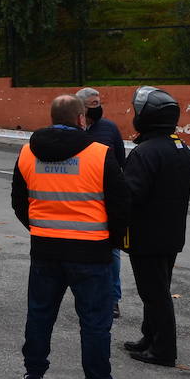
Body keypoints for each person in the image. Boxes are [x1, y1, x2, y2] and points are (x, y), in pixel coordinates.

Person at [12, 94, 131, 379]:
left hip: (45, 248)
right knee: (94, 322)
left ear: (52, 118)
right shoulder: (99, 154)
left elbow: (18, 202)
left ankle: (33, 374)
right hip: (92, 252)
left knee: (40, 313)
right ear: (82, 119)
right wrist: (112, 240)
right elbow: (121, 206)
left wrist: (40, 228)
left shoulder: (27, 152)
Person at [122, 86, 190, 367]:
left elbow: (131, 195)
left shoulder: (146, 152)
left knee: (154, 294)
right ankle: (149, 337)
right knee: (158, 288)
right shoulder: (178, 147)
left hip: (147, 235)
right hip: (170, 233)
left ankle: (163, 349)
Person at [76, 86, 126, 318]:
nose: (99, 106)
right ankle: (86, 293)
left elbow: (121, 161)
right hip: (81, 198)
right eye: (93, 103)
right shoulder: (75, 130)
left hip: (107, 198)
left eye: (99, 102)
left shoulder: (109, 128)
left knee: (113, 252)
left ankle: (113, 298)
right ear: (81, 108)